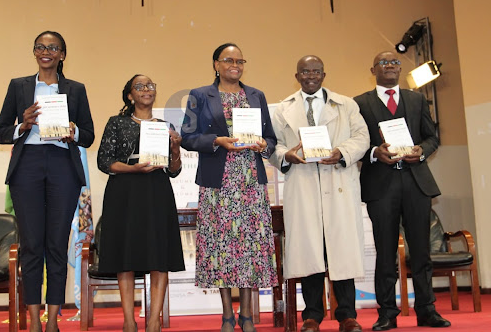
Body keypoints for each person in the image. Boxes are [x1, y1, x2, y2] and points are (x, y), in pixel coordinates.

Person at [0, 30, 94, 332]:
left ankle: (53, 321)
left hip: (63, 164)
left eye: (53, 47)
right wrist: (22, 124)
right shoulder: (19, 86)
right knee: (31, 245)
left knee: (56, 244)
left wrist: (73, 131)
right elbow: (0, 131)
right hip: (28, 166)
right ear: (34, 52)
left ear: (62, 54)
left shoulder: (76, 89)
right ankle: (35, 321)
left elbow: (88, 136)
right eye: (40, 46)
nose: (46, 51)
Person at [181, 43, 278, 332]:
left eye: (239, 61)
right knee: (221, 249)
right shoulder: (200, 96)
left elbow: (270, 139)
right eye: (228, 60)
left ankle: (247, 315)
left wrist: (263, 145)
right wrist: (216, 141)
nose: (235, 65)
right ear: (216, 64)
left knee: (248, 247)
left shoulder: (256, 95)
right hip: (217, 183)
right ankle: (226, 315)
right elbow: (188, 137)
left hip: (250, 181)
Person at [269, 55, 369, 332]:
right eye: (305, 71)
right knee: (309, 251)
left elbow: (362, 137)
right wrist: (286, 155)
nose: (310, 75)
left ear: (324, 74)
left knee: (341, 252)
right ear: (297, 75)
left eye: (316, 71)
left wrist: (342, 152)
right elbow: (272, 145)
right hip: (302, 186)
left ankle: (347, 315)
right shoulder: (283, 109)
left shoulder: (346, 104)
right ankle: (311, 316)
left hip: (338, 183)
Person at [354, 51, 451, 330]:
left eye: (395, 62)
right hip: (380, 184)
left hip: (416, 182)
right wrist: (374, 152)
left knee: (421, 251)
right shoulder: (359, 103)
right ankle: (387, 313)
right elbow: (356, 142)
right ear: (372, 69)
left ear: (400, 68)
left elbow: (432, 137)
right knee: (385, 252)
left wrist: (421, 152)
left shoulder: (417, 99)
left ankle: (427, 310)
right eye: (384, 63)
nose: (390, 67)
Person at [97, 74, 185, 332]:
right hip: (124, 192)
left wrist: (176, 149)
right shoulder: (116, 123)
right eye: (140, 86)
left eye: (150, 86)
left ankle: (154, 321)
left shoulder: (164, 125)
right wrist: (133, 169)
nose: (147, 89)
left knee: (159, 255)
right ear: (130, 95)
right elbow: (105, 162)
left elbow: (174, 170)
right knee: (125, 254)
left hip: (156, 191)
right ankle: (128, 321)